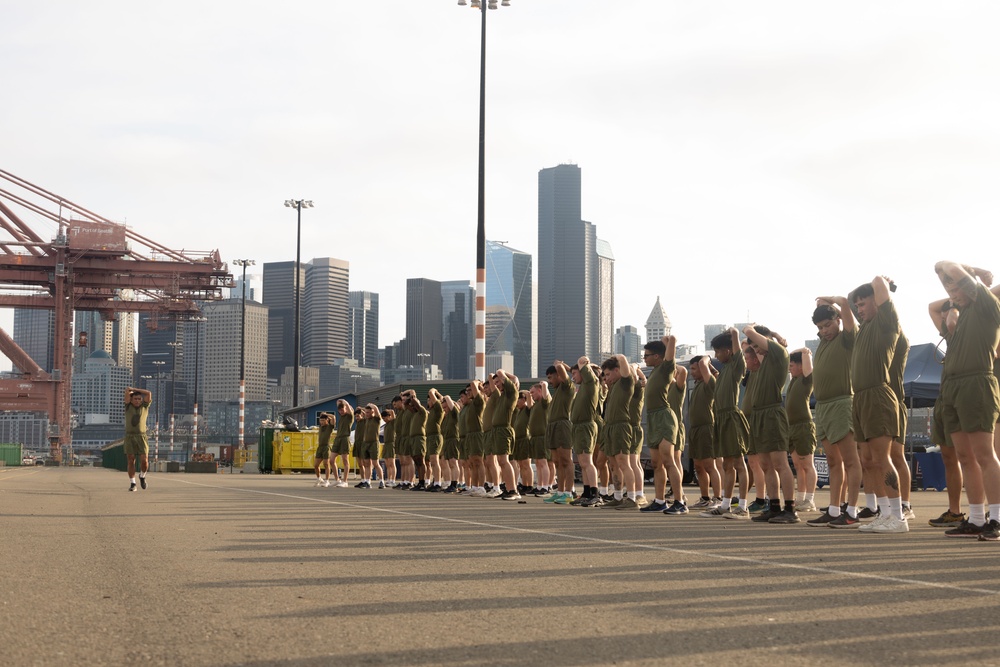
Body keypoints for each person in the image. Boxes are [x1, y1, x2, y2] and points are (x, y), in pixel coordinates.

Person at [931, 262, 1000, 540]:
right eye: (948, 287)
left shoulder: (986, 304)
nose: (952, 291)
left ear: (971, 286)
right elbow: (940, 268)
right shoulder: (958, 316)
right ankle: (975, 518)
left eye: (957, 285)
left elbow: (946, 264)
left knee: (984, 454)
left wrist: (976, 274)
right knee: (964, 457)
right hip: (953, 388)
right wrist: (953, 285)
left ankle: (996, 517)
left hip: (977, 383)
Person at [848, 278, 907, 534]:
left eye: (864, 303)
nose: (859, 308)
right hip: (860, 398)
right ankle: (884, 513)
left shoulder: (886, 322)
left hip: (879, 396)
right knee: (868, 460)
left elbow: (879, 285)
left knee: (882, 458)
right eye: (857, 305)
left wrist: (881, 282)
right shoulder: (865, 327)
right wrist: (858, 296)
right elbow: (852, 296)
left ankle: (898, 517)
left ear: (878, 302)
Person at [806, 301, 864, 528]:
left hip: (842, 403)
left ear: (838, 320)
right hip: (823, 406)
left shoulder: (847, 338)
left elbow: (848, 311)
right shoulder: (824, 342)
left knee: (851, 460)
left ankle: (852, 510)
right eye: (820, 327)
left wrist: (836, 300)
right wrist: (824, 308)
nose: (824, 331)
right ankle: (833, 509)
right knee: (832, 461)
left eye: (828, 325)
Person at [743, 324, 799, 524]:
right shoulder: (761, 362)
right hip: (758, 415)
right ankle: (774, 506)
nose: (756, 350)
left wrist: (772, 334)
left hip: (772, 413)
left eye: (758, 346)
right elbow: (746, 342)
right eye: (754, 349)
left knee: (779, 463)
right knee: (765, 464)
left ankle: (790, 509)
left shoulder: (778, 353)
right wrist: (757, 343)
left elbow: (748, 332)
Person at [707, 328, 752, 520]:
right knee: (727, 465)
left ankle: (743, 506)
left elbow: (739, 353)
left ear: (728, 351)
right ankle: (725, 505)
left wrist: (734, 334)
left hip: (732, 417)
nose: (716, 355)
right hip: (721, 419)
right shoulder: (724, 370)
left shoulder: (736, 366)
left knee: (739, 463)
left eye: (718, 351)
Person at [638, 335, 686, 515]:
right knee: (657, 463)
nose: (645, 358)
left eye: (647, 355)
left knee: (669, 460)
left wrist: (669, 341)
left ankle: (680, 502)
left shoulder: (666, 368)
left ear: (657, 356)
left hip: (664, 417)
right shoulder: (654, 372)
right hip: (652, 418)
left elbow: (671, 347)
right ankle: (659, 501)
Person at [599, 354, 639, 510]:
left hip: (621, 426)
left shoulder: (625, 381)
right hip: (609, 427)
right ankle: (617, 497)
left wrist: (618, 356)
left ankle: (632, 498)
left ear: (617, 370)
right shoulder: (614, 385)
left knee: (624, 463)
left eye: (609, 374)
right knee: (613, 464)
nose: (607, 377)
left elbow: (623, 361)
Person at [688, 355, 721, 513]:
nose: (691, 372)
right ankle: (705, 498)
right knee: (698, 466)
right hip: (694, 429)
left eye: (694, 368)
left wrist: (707, 359)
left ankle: (718, 498)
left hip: (706, 428)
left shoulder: (710, 383)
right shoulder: (697, 385)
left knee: (709, 465)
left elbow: (703, 362)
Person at [787, 349, 818, 512]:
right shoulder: (793, 380)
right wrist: (792, 356)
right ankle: (800, 498)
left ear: (800, 366)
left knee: (807, 464)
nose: (789, 368)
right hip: (791, 427)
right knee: (798, 465)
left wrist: (802, 352)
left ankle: (810, 500)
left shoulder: (806, 379)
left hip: (803, 426)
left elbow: (807, 355)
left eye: (792, 365)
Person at [569, 357, 602, 506]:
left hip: (586, 425)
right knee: (582, 463)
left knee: (588, 462)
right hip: (578, 427)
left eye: (575, 373)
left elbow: (591, 375)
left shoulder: (591, 384)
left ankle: (595, 493)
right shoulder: (582, 388)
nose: (573, 377)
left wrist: (584, 363)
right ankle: (587, 492)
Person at [544, 362, 577, 504]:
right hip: (552, 426)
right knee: (557, 461)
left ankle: (569, 492)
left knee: (566, 460)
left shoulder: (567, 386)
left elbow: (559, 367)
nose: (550, 382)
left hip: (563, 425)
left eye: (551, 378)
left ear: (559, 376)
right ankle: (560, 491)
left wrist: (561, 365)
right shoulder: (557, 390)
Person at [123, 387, 152, 492]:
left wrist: (134, 389)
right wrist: (129, 391)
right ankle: (133, 483)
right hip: (130, 436)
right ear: (131, 400)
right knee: (131, 460)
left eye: (139, 399)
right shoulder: (128, 406)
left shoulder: (145, 407)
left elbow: (148, 393)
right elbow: (127, 392)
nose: (137, 401)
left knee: (144, 461)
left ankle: (142, 476)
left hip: (142, 436)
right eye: (135, 398)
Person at [528, 382, 552, 495]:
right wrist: (529, 395)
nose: (531, 394)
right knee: (538, 462)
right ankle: (539, 485)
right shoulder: (535, 404)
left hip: (542, 436)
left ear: (539, 391)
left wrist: (544, 386)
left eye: (533, 392)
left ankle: (546, 486)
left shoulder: (543, 402)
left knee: (543, 462)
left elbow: (546, 397)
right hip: (535, 437)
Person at [424, 389, 445, 491]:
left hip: (436, 436)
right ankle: (435, 481)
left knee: (435, 461)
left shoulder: (438, 408)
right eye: (428, 400)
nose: (429, 401)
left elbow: (432, 393)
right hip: (430, 437)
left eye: (431, 400)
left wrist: (434, 391)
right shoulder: (431, 411)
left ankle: (438, 483)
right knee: (432, 461)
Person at [314, 412, 335, 487]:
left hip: (326, 447)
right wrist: (322, 415)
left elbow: (333, 417)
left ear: (327, 420)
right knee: (316, 465)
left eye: (323, 420)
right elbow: (321, 416)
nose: (322, 422)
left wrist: (326, 414)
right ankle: (319, 478)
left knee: (326, 464)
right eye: (321, 420)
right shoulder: (320, 427)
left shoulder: (329, 427)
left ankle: (327, 480)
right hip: (320, 447)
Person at [380, 408, 398, 488]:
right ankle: (388, 478)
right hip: (386, 444)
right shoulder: (386, 425)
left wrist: (389, 411)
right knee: (387, 463)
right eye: (383, 418)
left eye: (385, 417)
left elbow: (393, 413)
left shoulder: (392, 422)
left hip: (391, 444)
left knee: (392, 463)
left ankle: (393, 480)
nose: (384, 419)